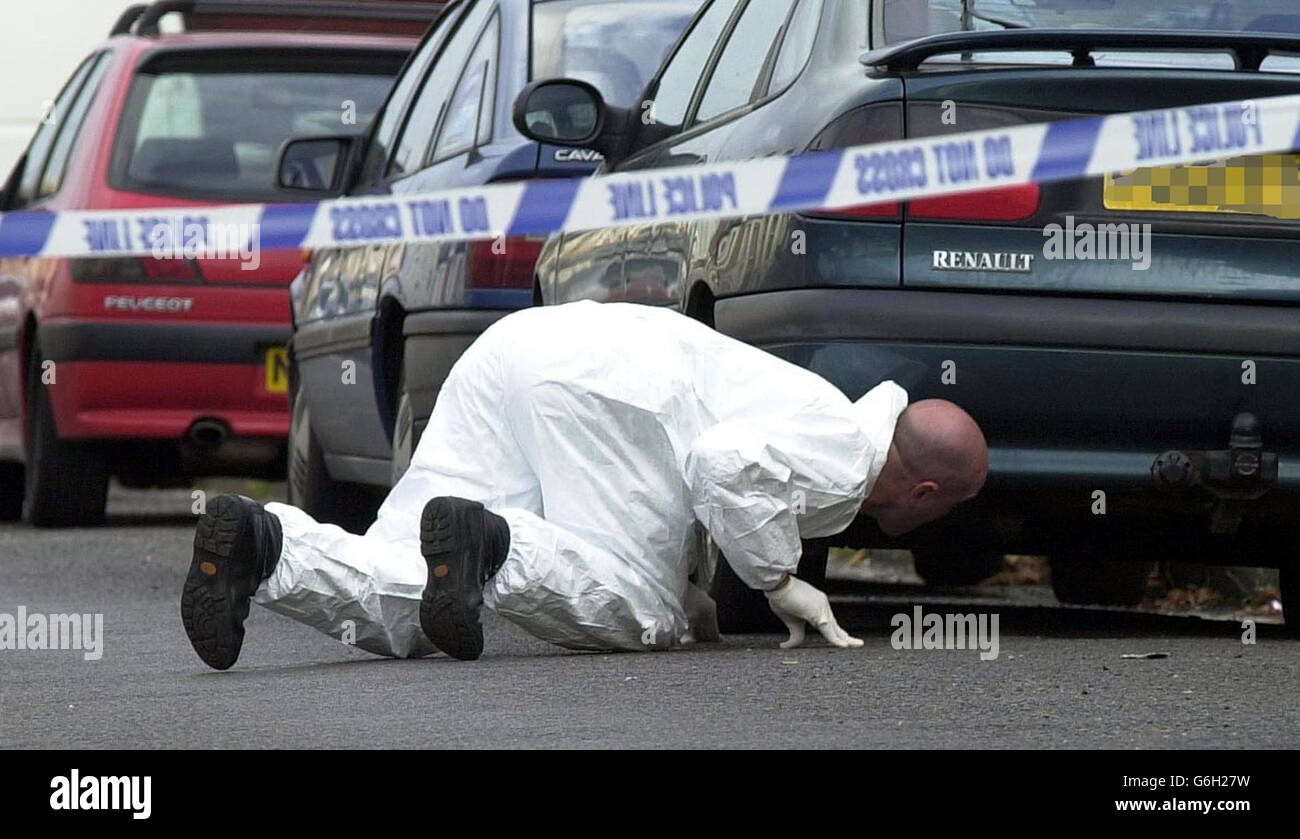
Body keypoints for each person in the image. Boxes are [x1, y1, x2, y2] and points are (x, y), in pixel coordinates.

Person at [181, 301, 988, 669]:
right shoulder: (849, 454)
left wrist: (707, 584)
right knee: (642, 613)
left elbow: (708, 484)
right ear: (923, 495)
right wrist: (779, 580)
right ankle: (491, 546)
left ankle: (266, 544)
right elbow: (722, 464)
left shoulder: (825, 413)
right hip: (606, 390)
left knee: (410, 588)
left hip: (520, 348)